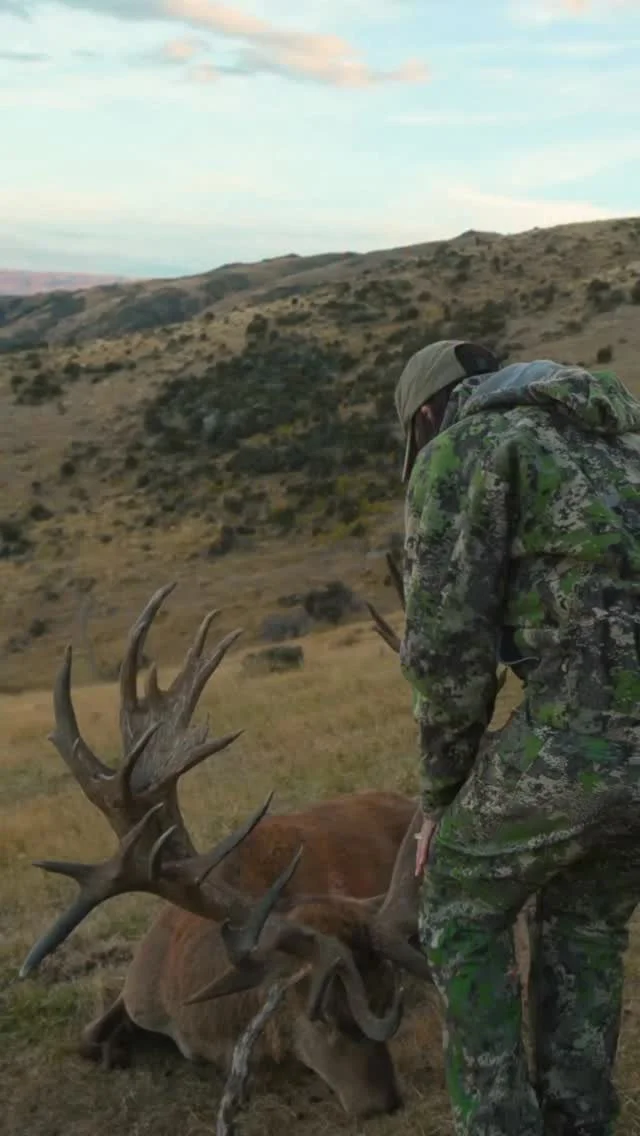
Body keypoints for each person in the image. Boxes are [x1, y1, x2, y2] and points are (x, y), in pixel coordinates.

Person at [394, 339, 640, 1136]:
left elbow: (448, 654)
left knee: (459, 902)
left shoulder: (467, 449)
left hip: (582, 732)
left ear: (426, 415)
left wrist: (440, 800)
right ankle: (580, 1119)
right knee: (587, 921)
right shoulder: (623, 442)